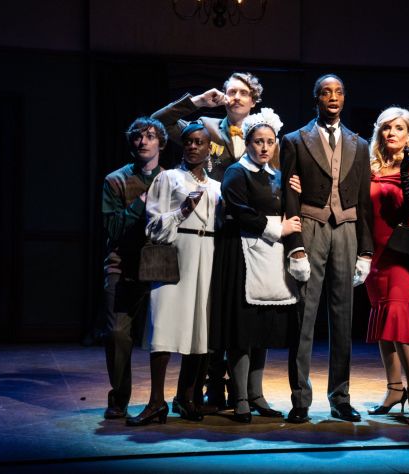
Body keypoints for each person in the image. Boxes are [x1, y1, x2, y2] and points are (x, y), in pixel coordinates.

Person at [151, 72, 264, 410]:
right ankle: (205, 390)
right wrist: (198, 101)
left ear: (254, 100)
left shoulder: (265, 133)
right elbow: (159, 123)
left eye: (243, 93)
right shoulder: (205, 128)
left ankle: (242, 391)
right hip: (206, 228)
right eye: (231, 92)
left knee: (229, 313)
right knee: (203, 313)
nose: (236, 97)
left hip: (245, 232)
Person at [280, 74, 373, 423]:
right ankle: (300, 399)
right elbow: (288, 195)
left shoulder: (358, 144)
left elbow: (364, 201)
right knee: (304, 316)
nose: (333, 97)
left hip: (346, 229)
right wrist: (295, 247)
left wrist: (366, 251)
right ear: (316, 98)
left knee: (343, 317)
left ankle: (341, 397)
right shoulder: (295, 140)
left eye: (338, 92)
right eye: (326, 92)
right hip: (311, 226)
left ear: (344, 98)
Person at [126, 124, 222, 426]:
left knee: (199, 329)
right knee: (164, 327)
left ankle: (187, 397)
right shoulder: (168, 178)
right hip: (175, 254)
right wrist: (182, 211)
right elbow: (153, 226)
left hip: (207, 256)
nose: (193, 146)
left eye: (199, 142)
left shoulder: (217, 187)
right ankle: (156, 402)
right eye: (188, 142)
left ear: (209, 149)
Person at [210, 108, 302, 423]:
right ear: (248, 143)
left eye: (270, 142)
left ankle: (256, 393)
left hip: (270, 258)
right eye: (258, 141)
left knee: (262, 328)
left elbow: (286, 206)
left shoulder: (276, 176)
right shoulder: (237, 172)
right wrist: (278, 227)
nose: (264, 147)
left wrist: (295, 193)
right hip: (242, 256)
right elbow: (240, 211)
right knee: (242, 330)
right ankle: (240, 398)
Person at [364, 107, 409, 425]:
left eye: (399, 128)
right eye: (386, 127)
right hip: (374, 252)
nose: (391, 132)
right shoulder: (371, 165)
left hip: (401, 251)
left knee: (398, 315)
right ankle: (393, 389)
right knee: (382, 318)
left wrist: (403, 174)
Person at [101, 117, 166, 420]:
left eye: (150, 136)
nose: (143, 141)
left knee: (167, 334)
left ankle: (166, 400)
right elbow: (113, 228)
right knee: (117, 333)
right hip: (123, 267)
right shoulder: (115, 180)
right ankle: (119, 398)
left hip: (160, 267)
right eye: (138, 137)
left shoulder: (170, 179)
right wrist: (141, 201)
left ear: (160, 143)